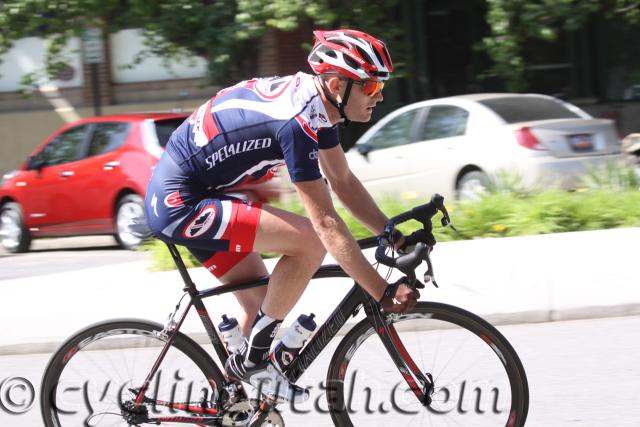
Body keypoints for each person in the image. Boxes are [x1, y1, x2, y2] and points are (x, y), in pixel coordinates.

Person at [144, 29, 420, 403]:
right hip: (183, 201)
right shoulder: (299, 121)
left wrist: (394, 234)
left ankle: (232, 402)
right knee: (308, 241)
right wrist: (381, 290)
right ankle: (254, 359)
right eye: (371, 87)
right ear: (338, 85)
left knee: (265, 305)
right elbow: (325, 224)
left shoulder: (319, 104)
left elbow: (342, 181)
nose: (380, 95)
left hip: (199, 192)